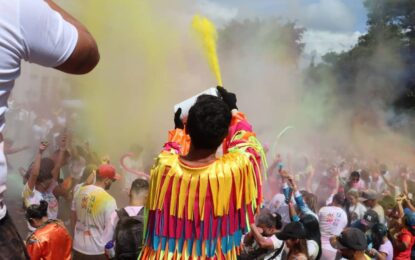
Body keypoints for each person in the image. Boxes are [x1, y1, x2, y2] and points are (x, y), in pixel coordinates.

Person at [0, 0, 99, 258]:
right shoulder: (14, 8)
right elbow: (87, 53)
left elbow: (54, 172)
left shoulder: (49, 189)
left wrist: (61, 149)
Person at [140, 87, 266, 259]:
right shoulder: (232, 171)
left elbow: (171, 149)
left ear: (189, 130)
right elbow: (247, 144)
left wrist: (178, 131)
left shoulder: (164, 168)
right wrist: (234, 111)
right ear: (224, 139)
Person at [72, 164, 119, 259]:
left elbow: (73, 214)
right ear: (106, 180)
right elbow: (111, 230)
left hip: (77, 247)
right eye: (112, 180)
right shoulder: (109, 200)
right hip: (97, 250)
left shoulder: (78, 191)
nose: (112, 183)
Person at [22, 139, 68, 223]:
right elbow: (34, 174)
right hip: (37, 232)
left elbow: (57, 167)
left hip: (50, 231)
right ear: (43, 182)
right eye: (51, 179)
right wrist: (40, 152)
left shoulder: (48, 190)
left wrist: (62, 149)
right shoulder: (31, 194)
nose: (54, 181)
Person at [109, 178, 149, 259]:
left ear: (129, 193)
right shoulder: (151, 217)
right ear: (147, 196)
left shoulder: (115, 215)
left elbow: (105, 243)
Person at [319, 192, 348, 259]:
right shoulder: (344, 215)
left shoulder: (324, 209)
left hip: (318, 245)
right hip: (332, 249)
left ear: (334, 200)